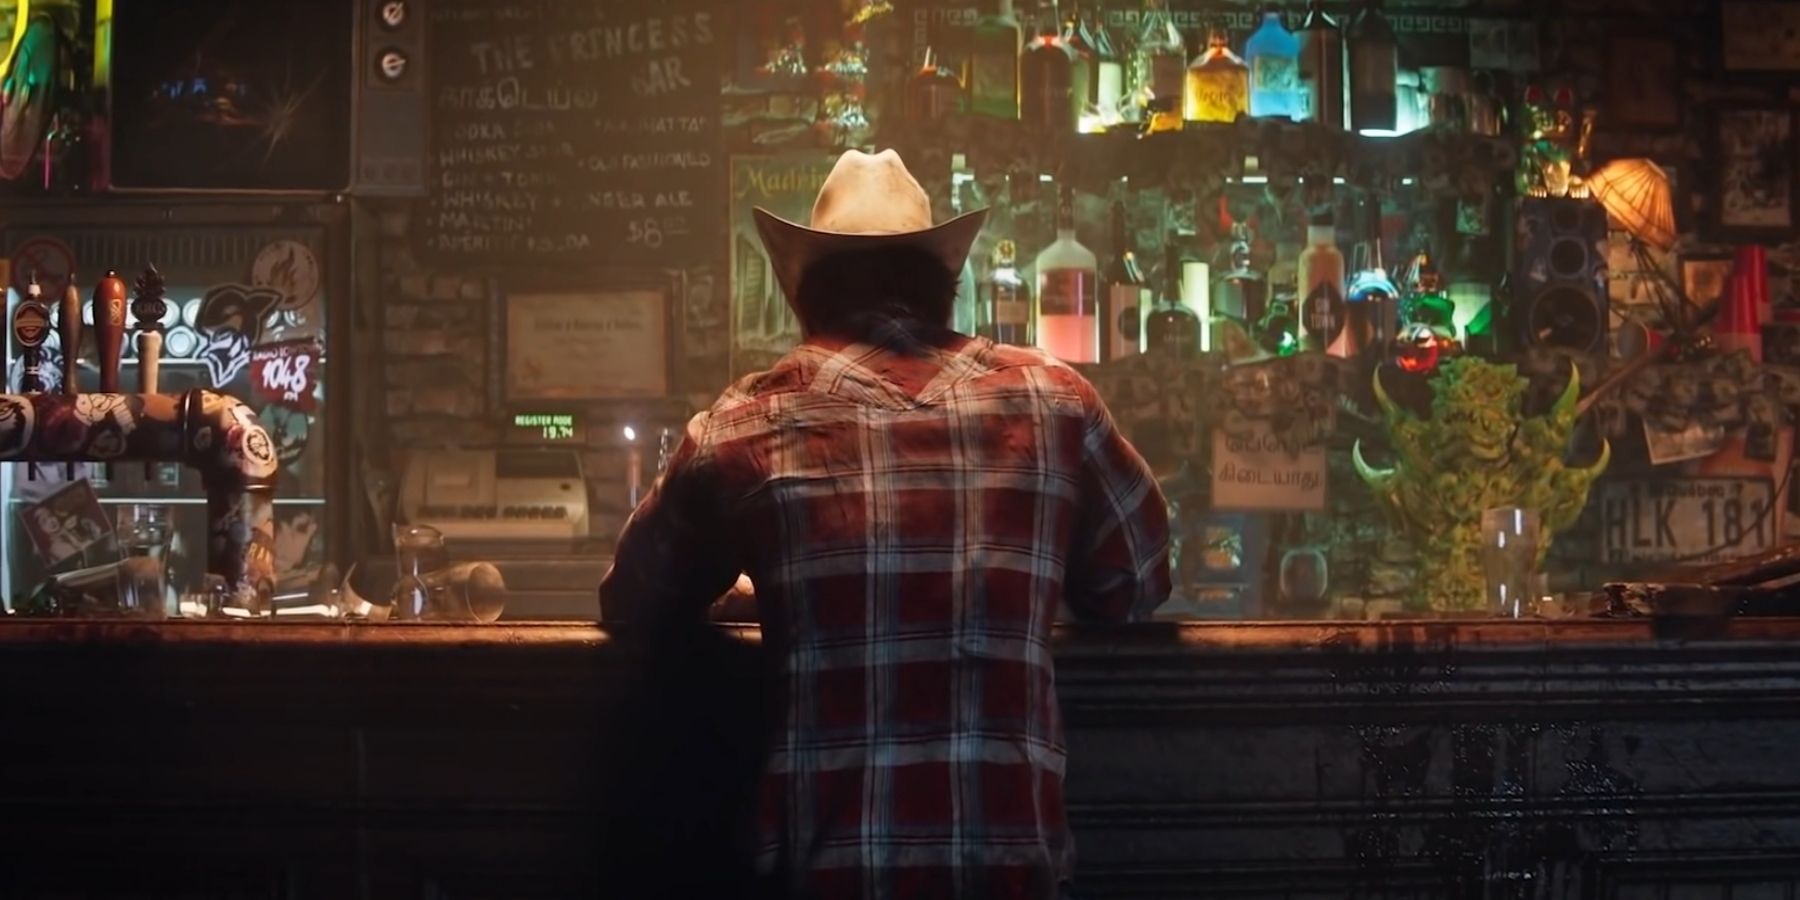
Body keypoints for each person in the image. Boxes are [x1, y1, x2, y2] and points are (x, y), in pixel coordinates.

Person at [599, 149, 1171, 899]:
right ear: (946, 290)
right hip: (1010, 880)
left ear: (804, 297)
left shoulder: (744, 425)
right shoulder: (1056, 402)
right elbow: (1137, 582)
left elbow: (633, 601)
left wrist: (758, 588)